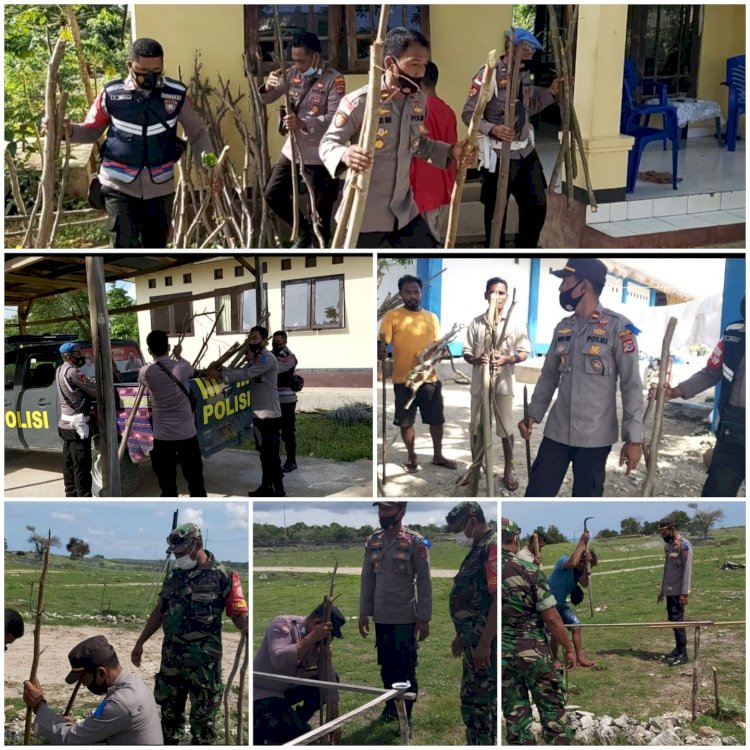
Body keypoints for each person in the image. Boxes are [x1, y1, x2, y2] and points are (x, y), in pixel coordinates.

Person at [319, 27, 475, 248]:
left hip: (404, 212)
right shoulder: (361, 102)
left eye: (424, 66)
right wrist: (345, 153)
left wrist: (450, 151)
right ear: (390, 64)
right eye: (414, 64)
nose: (420, 73)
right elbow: (327, 144)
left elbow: (417, 144)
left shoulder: (418, 102)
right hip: (363, 216)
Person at [58, 37, 216, 248]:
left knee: (156, 247)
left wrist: (210, 166)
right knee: (123, 246)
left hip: (160, 187)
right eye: (142, 71)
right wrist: (65, 131)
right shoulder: (111, 94)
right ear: (129, 65)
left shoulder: (176, 95)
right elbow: (89, 131)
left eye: (156, 70)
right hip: (117, 184)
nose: (149, 77)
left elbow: (198, 133)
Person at [519, 258, 644, 496]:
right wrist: (533, 414)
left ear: (583, 286)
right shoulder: (563, 328)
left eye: (565, 281)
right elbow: (548, 376)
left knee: (585, 499)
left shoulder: (619, 329)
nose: (560, 288)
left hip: (595, 438)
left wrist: (634, 439)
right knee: (536, 494)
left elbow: (631, 386)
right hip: (557, 433)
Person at [131, 523, 248, 744]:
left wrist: (246, 628)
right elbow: (160, 610)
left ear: (198, 544)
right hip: (172, 659)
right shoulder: (175, 574)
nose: (178, 557)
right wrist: (140, 642)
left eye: (182, 551)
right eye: (175, 553)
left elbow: (238, 612)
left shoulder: (223, 574)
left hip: (204, 665)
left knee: (203, 721)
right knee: (169, 715)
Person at [462, 27, 561, 248]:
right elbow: (468, 114)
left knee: (537, 206)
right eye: (526, 50)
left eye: (532, 52)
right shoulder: (488, 75)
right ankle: (495, 251)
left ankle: (525, 250)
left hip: (526, 151)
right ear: (511, 46)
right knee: (497, 213)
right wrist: (493, 128)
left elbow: (528, 108)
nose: (530, 55)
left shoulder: (525, 75)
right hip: (498, 155)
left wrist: (551, 93)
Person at [260, 32, 345, 248]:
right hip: (293, 151)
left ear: (316, 56)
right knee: (272, 193)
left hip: (321, 155)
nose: (297, 65)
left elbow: (336, 118)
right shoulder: (292, 74)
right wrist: (268, 86)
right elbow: (268, 96)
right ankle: (304, 231)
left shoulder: (334, 80)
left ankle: (322, 247)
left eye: (302, 60)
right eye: (294, 60)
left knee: (322, 211)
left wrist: (304, 122)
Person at [658, 297, 745, 496]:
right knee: (717, 494)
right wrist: (676, 391)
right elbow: (711, 372)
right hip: (732, 432)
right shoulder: (733, 336)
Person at [501, 518, 575, 745]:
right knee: (552, 710)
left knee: (515, 714)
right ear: (515, 538)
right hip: (532, 650)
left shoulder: (484, 571)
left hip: (501, 654)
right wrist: (569, 649)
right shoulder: (528, 570)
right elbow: (552, 618)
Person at [359, 502, 431, 730]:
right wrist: (364, 612)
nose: (383, 515)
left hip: (404, 617)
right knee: (386, 667)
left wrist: (424, 617)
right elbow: (367, 578)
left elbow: (424, 580)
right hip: (382, 617)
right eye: (380, 510)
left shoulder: (415, 542)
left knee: (406, 668)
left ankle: (405, 717)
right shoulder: (374, 541)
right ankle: (390, 708)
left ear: (401, 512)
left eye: (387, 510)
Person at [378, 274, 457, 473]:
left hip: (428, 376)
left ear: (421, 293)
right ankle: (412, 457)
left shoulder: (431, 318)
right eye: (407, 292)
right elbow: (383, 342)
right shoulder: (392, 316)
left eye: (416, 292)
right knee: (407, 421)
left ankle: (438, 455)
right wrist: (381, 351)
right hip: (404, 379)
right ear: (401, 294)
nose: (412, 296)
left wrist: (443, 352)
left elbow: (437, 344)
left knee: (437, 419)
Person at [23, 635, 163, 744]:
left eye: (84, 678)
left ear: (102, 673)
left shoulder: (121, 703)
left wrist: (39, 705)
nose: (83, 684)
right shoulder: (135, 685)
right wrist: (77, 727)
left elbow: (70, 740)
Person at [463, 276, 530, 492]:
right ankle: (476, 467)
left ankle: (508, 470)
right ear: (486, 295)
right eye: (492, 292)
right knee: (477, 428)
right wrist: (476, 358)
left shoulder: (516, 323)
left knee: (506, 430)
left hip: (503, 384)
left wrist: (507, 359)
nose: (497, 297)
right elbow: (466, 352)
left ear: (507, 297)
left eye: (501, 293)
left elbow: (523, 353)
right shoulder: (476, 323)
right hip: (479, 385)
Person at [206, 326, 284, 496]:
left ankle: (278, 490)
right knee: (264, 454)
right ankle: (267, 487)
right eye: (250, 337)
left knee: (270, 455)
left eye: (255, 338)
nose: (252, 341)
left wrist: (220, 375)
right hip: (259, 415)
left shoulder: (266, 359)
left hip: (269, 416)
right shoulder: (257, 359)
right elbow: (243, 371)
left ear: (264, 340)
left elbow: (246, 374)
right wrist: (222, 370)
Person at [253, 602, 346, 744]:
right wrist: (312, 637)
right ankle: (272, 724)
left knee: (330, 677)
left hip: (287, 690)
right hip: (263, 692)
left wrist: (334, 721)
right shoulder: (282, 624)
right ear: (317, 623)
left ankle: (295, 720)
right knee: (301, 738)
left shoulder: (318, 643)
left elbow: (328, 681)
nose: (329, 639)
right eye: (328, 634)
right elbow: (278, 659)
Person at [445, 501, 497, 744]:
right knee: (479, 704)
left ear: (472, 519)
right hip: (473, 640)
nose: (458, 534)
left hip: (485, 645)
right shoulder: (478, 548)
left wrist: (485, 642)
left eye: (459, 527)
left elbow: (498, 599)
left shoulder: (491, 546)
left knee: (477, 704)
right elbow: (473, 598)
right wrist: (461, 635)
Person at [138, 330, 206, 497]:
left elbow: (142, 381)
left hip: (163, 437)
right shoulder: (182, 367)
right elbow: (190, 371)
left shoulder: (145, 372)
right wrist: (179, 355)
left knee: (167, 486)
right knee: (196, 482)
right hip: (187, 435)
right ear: (168, 347)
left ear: (149, 351)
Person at [408, 61, 457, 243]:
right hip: (445, 186)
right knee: (434, 237)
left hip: (422, 188)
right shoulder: (448, 111)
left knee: (424, 242)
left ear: (417, 81)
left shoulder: (416, 112)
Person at [547, 530, 598, 668]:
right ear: (581, 560)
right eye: (587, 564)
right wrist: (582, 541)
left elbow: (584, 583)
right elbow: (574, 562)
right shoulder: (565, 561)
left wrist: (587, 569)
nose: (589, 567)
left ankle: (580, 658)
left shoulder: (580, 570)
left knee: (576, 626)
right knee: (555, 632)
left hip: (561, 603)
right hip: (548, 602)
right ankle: (554, 660)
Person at [56, 341, 97, 497]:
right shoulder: (73, 372)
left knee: (69, 463)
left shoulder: (60, 370)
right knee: (82, 464)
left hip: (65, 425)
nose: (81, 356)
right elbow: (93, 391)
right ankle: (84, 496)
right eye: (77, 353)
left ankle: (71, 494)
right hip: (76, 427)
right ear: (68, 356)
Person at [656, 517, 693, 667]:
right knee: (674, 621)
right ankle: (678, 649)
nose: (662, 535)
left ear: (671, 529)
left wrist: (684, 593)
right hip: (670, 591)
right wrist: (662, 591)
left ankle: (683, 654)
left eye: (663, 532)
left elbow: (687, 570)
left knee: (678, 622)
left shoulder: (684, 546)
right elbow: (667, 571)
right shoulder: (671, 546)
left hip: (678, 592)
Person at [272, 330, 299, 473]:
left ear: (285, 341)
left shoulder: (289, 357)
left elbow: (275, 369)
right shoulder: (270, 355)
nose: (277, 344)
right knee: (273, 431)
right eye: (275, 341)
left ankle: (291, 461)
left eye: (279, 342)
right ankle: (276, 460)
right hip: (273, 400)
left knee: (287, 432)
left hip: (287, 400)